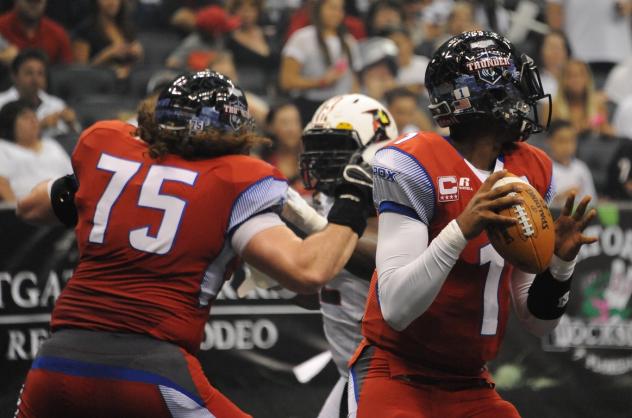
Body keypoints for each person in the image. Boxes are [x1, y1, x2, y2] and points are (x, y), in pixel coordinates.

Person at [14, 70, 372, 417]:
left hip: (55, 363)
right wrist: (353, 202)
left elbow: (28, 208)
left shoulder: (108, 147)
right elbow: (308, 272)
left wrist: (87, 188)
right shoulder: (234, 181)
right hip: (149, 368)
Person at [348, 31, 597, 417]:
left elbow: (536, 322)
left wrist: (561, 265)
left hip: (471, 381)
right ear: (489, 98)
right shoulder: (413, 162)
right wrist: (461, 228)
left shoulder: (531, 168)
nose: (527, 99)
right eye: (516, 87)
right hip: (397, 373)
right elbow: (396, 307)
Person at [287, 93, 398, 418]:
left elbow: (389, 263)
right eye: (316, 146)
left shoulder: (396, 196)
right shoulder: (324, 201)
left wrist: (319, 231)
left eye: (334, 145)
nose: (321, 158)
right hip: (350, 367)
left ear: (375, 146)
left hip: (389, 369)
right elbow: (311, 294)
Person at [279, 0, 362, 124]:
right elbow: (286, 81)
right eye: (332, 8)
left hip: (342, 108)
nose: (337, 13)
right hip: (310, 107)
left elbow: (354, 81)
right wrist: (320, 82)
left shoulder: (349, 41)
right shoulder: (301, 38)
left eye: (340, 9)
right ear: (319, 10)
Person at [0, 100, 71, 202]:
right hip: (26, 210)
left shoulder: (52, 145)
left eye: (34, 116)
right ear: (10, 124)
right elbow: (2, 185)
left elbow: (73, 178)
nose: (33, 120)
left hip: (64, 208)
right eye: (26, 117)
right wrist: (17, 213)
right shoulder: (3, 148)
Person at [0, 48, 80, 137]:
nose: (35, 79)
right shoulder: (2, 102)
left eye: (40, 73)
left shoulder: (57, 105)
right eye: (29, 73)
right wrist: (39, 126)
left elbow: (74, 140)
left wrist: (71, 124)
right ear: (14, 76)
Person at [72, 0, 143, 80]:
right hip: (98, 84)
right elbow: (79, 72)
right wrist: (108, 54)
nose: (112, 2)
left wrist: (137, 53)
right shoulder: (85, 31)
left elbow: (133, 66)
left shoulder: (127, 28)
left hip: (125, 83)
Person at [0, 0, 72, 65]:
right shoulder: (1, 28)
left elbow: (68, 74)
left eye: (38, 2)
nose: (33, 6)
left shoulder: (58, 34)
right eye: (29, 1)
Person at [547, 119, 597, 208]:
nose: (567, 146)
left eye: (571, 140)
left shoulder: (581, 168)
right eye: (561, 141)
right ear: (550, 142)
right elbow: (540, 205)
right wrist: (561, 197)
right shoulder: (545, 169)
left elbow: (592, 201)